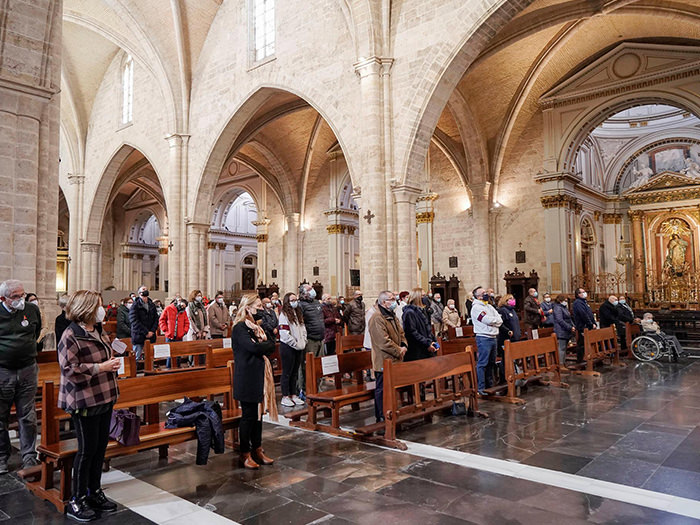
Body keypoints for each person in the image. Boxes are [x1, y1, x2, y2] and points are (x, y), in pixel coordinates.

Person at [57, 290, 121, 521]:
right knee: (87, 451)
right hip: (83, 399)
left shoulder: (98, 330)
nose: (102, 310)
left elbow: (104, 356)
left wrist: (111, 363)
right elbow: (69, 369)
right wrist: (100, 368)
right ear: (87, 308)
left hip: (104, 395)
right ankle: (77, 499)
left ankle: (94, 492)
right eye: (98, 306)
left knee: (100, 448)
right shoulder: (70, 335)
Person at [0, 279, 41, 475]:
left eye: (22, 295)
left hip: (27, 369)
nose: (20, 300)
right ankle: (1, 457)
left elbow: (36, 332)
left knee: (28, 415)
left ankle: (29, 457)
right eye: (15, 297)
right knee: (1, 416)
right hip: (3, 371)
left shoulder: (32, 310)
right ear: (3, 298)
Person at [231, 294, 276, 469]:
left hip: (259, 375)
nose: (260, 309)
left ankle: (257, 449)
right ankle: (245, 453)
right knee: (248, 416)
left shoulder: (257, 327)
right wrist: (264, 346)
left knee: (258, 416)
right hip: (247, 376)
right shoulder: (240, 328)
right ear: (247, 307)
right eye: (257, 306)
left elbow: (271, 343)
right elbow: (253, 347)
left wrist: (264, 346)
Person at [369, 291, 406, 422]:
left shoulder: (391, 315)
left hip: (394, 359)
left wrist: (404, 345)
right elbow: (383, 342)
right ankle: (381, 415)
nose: (394, 301)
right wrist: (399, 351)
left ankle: (390, 412)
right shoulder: (377, 318)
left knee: (391, 387)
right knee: (382, 388)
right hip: (383, 360)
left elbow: (401, 333)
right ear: (384, 302)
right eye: (391, 299)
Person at [471, 286, 503, 395]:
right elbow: (486, 320)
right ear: (478, 296)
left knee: (491, 363)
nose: (486, 294)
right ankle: (481, 388)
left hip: (493, 337)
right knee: (482, 363)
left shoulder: (489, 306)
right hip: (483, 337)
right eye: (483, 293)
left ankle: (490, 386)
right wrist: (494, 321)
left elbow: (499, 319)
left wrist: (494, 321)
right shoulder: (476, 308)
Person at [278, 293, 307, 408]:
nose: (295, 302)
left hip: (299, 346)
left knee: (295, 372)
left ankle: (293, 394)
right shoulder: (284, 314)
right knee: (287, 372)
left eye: (296, 299)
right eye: (292, 300)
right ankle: (285, 396)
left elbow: (303, 329)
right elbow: (284, 333)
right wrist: (295, 344)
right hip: (288, 347)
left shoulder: (298, 313)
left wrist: (303, 341)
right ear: (287, 302)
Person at [297, 283, 325, 396]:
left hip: (321, 338)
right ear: (304, 293)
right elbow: (300, 322)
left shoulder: (317, 302)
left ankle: (317, 387)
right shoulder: (301, 305)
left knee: (319, 365)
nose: (312, 290)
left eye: (312, 288)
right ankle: (305, 389)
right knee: (307, 366)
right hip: (310, 339)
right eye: (309, 289)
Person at [402, 289, 438, 361]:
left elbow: (427, 329)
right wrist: (427, 344)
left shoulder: (422, 311)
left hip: (425, 348)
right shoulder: (410, 312)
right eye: (423, 296)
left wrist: (434, 342)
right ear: (417, 297)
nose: (425, 298)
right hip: (417, 351)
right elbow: (412, 332)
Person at [158, 297, 190, 368]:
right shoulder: (168, 308)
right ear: (178, 302)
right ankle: (169, 369)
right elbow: (162, 320)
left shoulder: (183, 312)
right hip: (170, 336)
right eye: (182, 306)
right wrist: (166, 330)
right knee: (170, 354)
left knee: (178, 354)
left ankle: (177, 369)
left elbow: (187, 322)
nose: (182, 308)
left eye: (184, 307)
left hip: (179, 336)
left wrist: (184, 332)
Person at [129, 286, 158, 360]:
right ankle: (134, 371)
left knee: (150, 358)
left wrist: (152, 331)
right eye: (143, 289)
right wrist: (146, 332)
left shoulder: (152, 305)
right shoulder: (135, 305)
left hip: (151, 336)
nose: (145, 291)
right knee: (136, 358)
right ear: (139, 293)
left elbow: (156, 319)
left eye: (146, 289)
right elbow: (134, 321)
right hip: (139, 335)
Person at [572, 288, 596, 363]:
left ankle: (587, 357)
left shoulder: (584, 302)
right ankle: (580, 360)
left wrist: (593, 322)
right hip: (583, 326)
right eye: (583, 292)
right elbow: (583, 315)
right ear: (578, 294)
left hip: (587, 326)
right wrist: (590, 324)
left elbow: (589, 313)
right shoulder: (578, 303)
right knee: (581, 344)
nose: (585, 293)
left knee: (586, 343)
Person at [552, 295, 575, 365]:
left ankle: (563, 363)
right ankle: (560, 364)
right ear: (560, 300)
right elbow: (560, 320)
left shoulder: (563, 307)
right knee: (561, 348)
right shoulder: (557, 308)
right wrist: (569, 327)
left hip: (566, 330)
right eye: (565, 300)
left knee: (564, 347)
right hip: (561, 330)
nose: (566, 302)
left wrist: (573, 326)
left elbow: (569, 318)